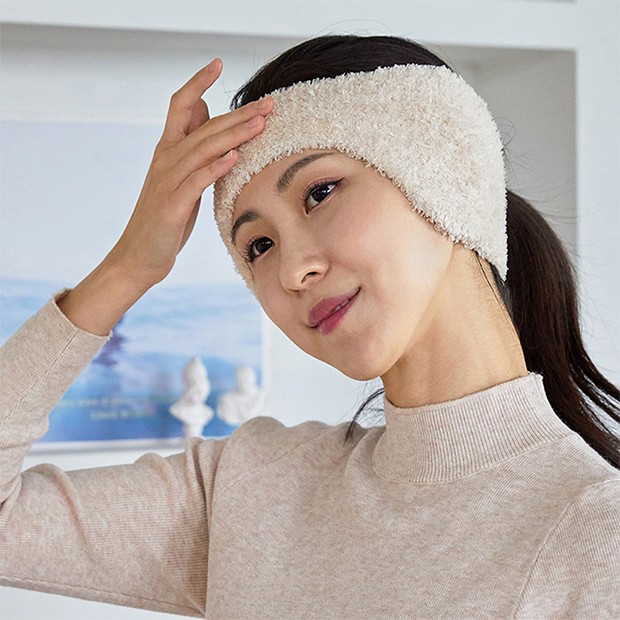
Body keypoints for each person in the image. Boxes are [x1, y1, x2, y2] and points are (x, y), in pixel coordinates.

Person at [1, 34, 619, 619]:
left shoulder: (597, 535)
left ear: (444, 172)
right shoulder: (248, 492)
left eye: (320, 192)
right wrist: (129, 268)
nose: (294, 269)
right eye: (259, 246)